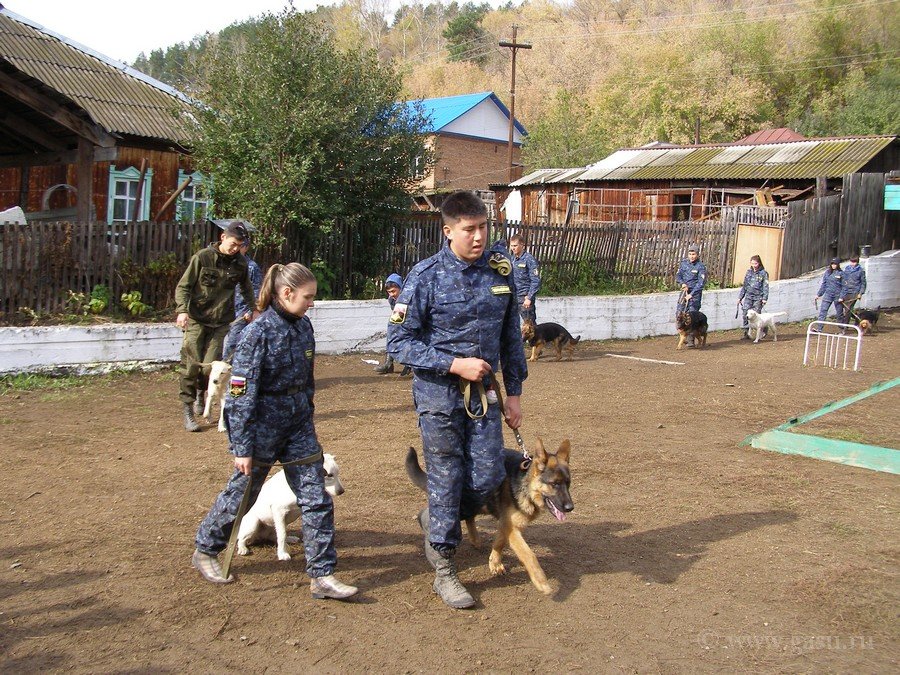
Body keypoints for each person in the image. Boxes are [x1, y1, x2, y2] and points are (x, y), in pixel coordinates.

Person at [387, 190, 528, 610]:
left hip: (484, 397)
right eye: (469, 230)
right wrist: (454, 365)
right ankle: (445, 569)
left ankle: (435, 518)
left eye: (484, 227)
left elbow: (510, 339)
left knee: (487, 475)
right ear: (448, 231)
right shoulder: (425, 277)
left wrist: (515, 394)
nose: (479, 236)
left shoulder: (500, 272)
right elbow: (399, 342)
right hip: (439, 396)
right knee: (447, 475)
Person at [192, 262, 357, 600]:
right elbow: (240, 393)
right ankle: (206, 549)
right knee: (243, 494)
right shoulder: (257, 333)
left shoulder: (304, 327)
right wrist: (241, 446)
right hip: (262, 429)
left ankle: (322, 575)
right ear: (286, 293)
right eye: (307, 297)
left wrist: (307, 414)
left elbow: (307, 381)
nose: (311, 303)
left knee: (316, 498)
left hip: (298, 428)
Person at [175, 221, 255, 432]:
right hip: (196, 319)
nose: (236, 248)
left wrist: (254, 310)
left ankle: (202, 396)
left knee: (211, 367)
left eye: (240, 245)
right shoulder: (202, 257)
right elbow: (184, 285)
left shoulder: (240, 263)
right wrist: (182, 310)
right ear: (223, 237)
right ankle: (188, 409)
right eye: (234, 243)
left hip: (220, 322)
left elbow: (247, 289)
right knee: (191, 365)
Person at [222, 233, 263, 360]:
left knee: (232, 345)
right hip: (225, 311)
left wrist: (251, 311)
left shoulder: (251, 267)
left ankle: (228, 373)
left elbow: (256, 290)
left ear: (245, 248)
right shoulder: (228, 264)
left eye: (240, 246)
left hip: (241, 313)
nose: (236, 249)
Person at [374, 273, 409, 375]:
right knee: (392, 333)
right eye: (389, 292)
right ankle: (389, 364)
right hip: (403, 319)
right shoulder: (392, 299)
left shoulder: (406, 298)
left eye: (394, 291)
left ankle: (410, 365)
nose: (391, 294)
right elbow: (396, 317)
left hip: (415, 323)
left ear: (401, 288)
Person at [509, 234, 541, 324]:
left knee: (530, 326)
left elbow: (535, 280)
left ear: (522, 245)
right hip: (514, 297)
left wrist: (529, 298)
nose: (513, 248)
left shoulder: (529, 259)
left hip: (525, 298)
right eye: (511, 246)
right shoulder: (512, 259)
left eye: (515, 246)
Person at [737, 255, 769, 339]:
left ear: (759, 263)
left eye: (755, 263)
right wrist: (740, 297)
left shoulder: (763, 273)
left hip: (758, 297)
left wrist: (765, 298)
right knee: (745, 314)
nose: (754, 265)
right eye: (752, 263)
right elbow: (745, 286)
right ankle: (746, 332)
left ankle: (763, 329)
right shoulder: (749, 272)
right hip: (748, 296)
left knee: (756, 315)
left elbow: (765, 286)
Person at [675, 244, 707, 313]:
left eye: (693, 254)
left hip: (694, 296)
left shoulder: (701, 266)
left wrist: (691, 294)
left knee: (691, 317)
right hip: (684, 292)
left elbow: (701, 283)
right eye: (690, 254)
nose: (691, 256)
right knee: (679, 314)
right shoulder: (684, 263)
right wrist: (682, 283)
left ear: (697, 255)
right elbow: (678, 276)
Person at [815, 257, 845, 329]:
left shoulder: (841, 273)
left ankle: (842, 328)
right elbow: (824, 284)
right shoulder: (827, 273)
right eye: (832, 264)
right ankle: (819, 328)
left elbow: (844, 286)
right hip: (828, 295)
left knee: (839, 313)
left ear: (838, 265)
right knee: (823, 311)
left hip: (838, 296)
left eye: (835, 264)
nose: (833, 265)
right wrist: (819, 294)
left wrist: (842, 296)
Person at [839, 254, 867, 321]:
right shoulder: (847, 269)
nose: (852, 263)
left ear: (857, 262)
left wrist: (860, 293)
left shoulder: (861, 271)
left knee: (848, 309)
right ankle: (856, 318)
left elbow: (863, 283)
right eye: (851, 262)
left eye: (854, 262)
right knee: (843, 307)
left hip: (854, 292)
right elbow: (844, 279)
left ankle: (845, 326)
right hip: (846, 291)